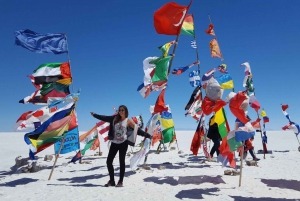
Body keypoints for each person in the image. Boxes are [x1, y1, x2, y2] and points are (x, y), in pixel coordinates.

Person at [90, 105, 152, 187]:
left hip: (123, 143)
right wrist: (95, 115)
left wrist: (147, 135)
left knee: (121, 162)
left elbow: (138, 130)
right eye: (120, 110)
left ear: (126, 111)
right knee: (109, 162)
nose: (121, 111)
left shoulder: (128, 121)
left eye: (123, 110)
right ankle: (112, 181)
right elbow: (104, 118)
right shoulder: (114, 119)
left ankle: (120, 181)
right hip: (114, 143)